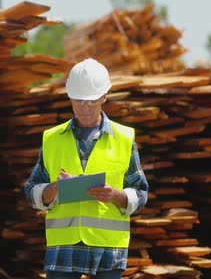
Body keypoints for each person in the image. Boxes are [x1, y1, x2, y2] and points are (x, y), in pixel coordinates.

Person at [24, 58, 149, 279]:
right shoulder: (52, 139)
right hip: (64, 247)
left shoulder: (123, 139)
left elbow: (140, 194)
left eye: (91, 101)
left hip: (109, 249)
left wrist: (116, 195)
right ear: (70, 97)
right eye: (79, 100)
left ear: (104, 96)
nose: (84, 107)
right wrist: (54, 189)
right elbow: (31, 192)